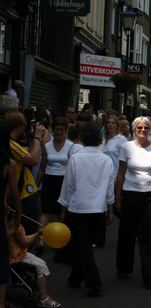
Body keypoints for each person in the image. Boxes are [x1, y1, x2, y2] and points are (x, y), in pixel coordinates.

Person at [58, 123, 114, 297]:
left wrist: (63, 208)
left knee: (82, 246)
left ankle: (94, 282)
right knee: (84, 245)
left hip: (78, 208)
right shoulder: (106, 160)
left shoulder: (76, 157)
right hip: (97, 209)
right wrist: (110, 209)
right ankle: (75, 279)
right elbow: (110, 187)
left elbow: (69, 185)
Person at [115, 116, 151, 290]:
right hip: (131, 193)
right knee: (127, 232)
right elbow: (121, 174)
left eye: (146, 128)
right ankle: (123, 267)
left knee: (150, 235)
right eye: (139, 128)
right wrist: (117, 198)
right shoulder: (126, 147)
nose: (142, 130)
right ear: (134, 129)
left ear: (150, 130)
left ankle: (150, 275)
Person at [6, 111, 48, 235]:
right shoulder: (10, 144)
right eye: (25, 124)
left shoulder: (14, 143)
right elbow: (34, 159)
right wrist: (36, 138)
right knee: (26, 230)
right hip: (22, 194)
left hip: (26, 191)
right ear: (18, 127)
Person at [35, 116, 72, 253]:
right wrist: (36, 184)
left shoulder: (71, 146)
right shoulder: (47, 145)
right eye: (56, 129)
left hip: (63, 181)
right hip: (49, 180)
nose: (58, 132)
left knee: (62, 213)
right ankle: (40, 241)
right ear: (53, 130)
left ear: (65, 131)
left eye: (61, 130)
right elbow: (42, 167)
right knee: (45, 212)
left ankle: (61, 242)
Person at [7, 218, 60, 308]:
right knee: (41, 267)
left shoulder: (9, 223)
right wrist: (37, 234)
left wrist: (37, 234)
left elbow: (21, 238)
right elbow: (24, 243)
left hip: (13, 254)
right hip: (16, 256)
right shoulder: (14, 225)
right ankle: (43, 298)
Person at [96, 115, 128, 248]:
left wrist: (120, 175)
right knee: (100, 208)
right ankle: (98, 239)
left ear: (117, 125)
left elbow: (125, 159)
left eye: (113, 123)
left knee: (116, 207)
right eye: (108, 123)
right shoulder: (100, 139)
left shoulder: (121, 140)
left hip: (115, 177)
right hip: (101, 178)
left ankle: (131, 227)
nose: (110, 125)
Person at [0, 122, 19, 308]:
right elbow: (14, 193)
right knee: (1, 258)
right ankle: (1, 307)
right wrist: (18, 214)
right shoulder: (9, 164)